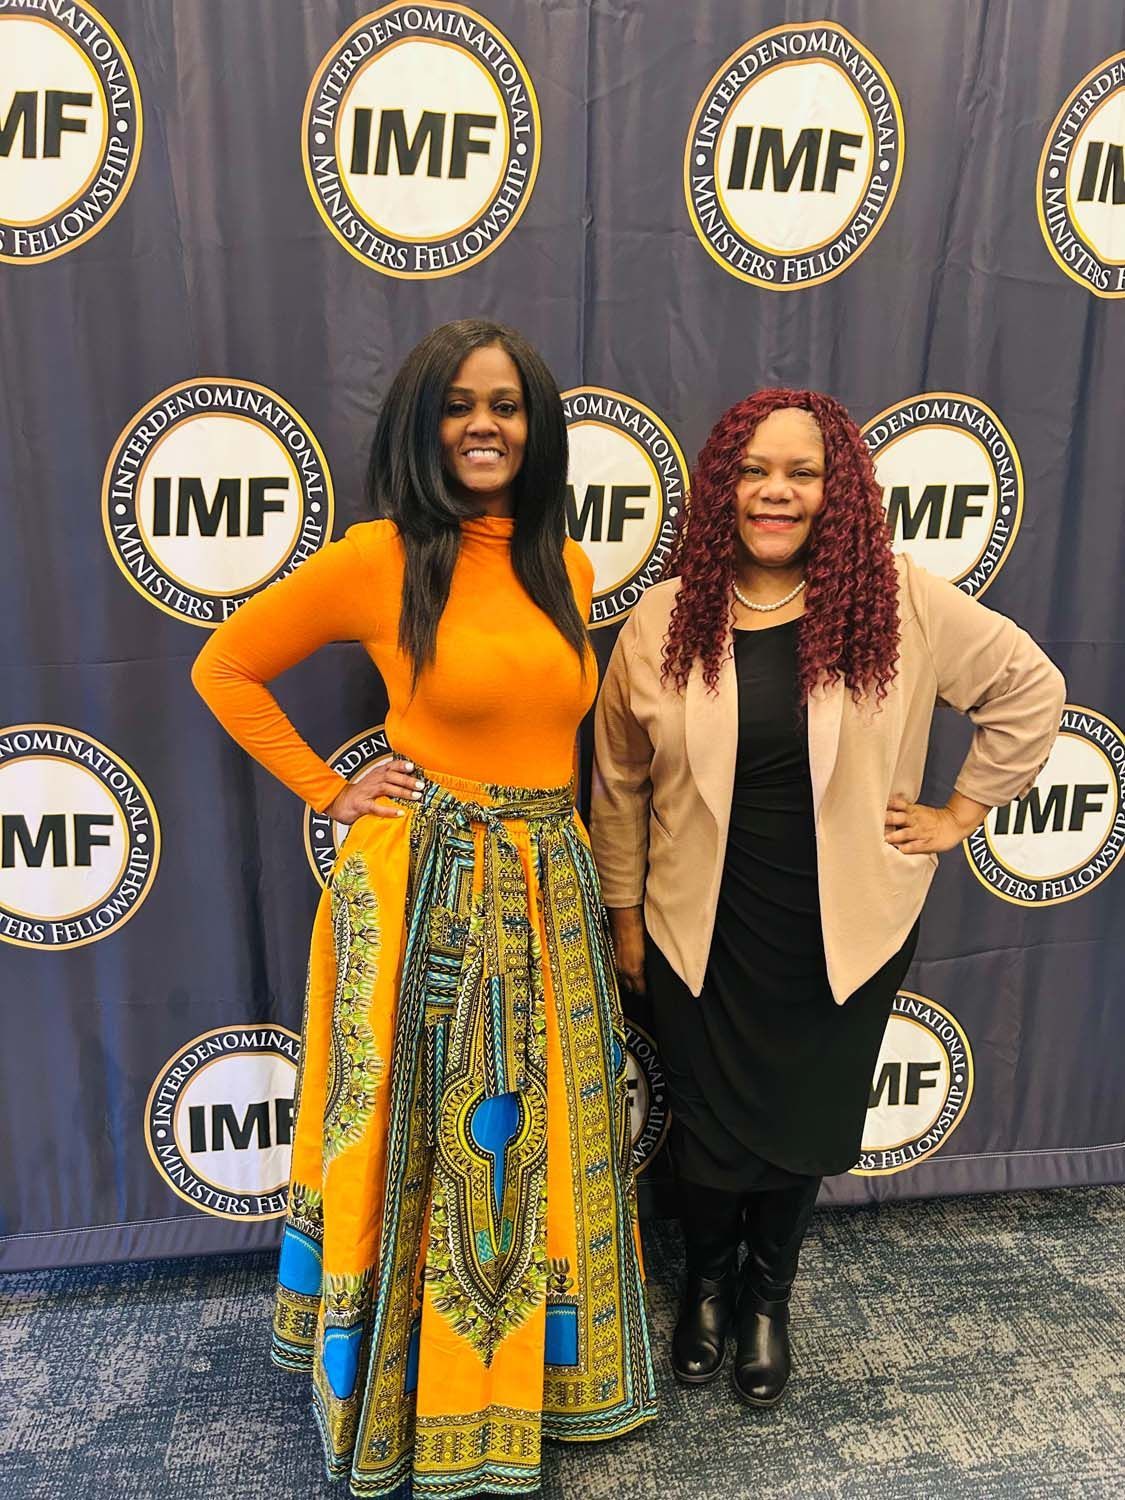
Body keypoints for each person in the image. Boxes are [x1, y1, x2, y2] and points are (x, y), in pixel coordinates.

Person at [192, 320, 656, 1498]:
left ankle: (527, 1385)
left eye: (506, 404)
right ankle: (401, 1388)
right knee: (415, 1140)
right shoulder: (376, 558)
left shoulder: (571, 566)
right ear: (422, 422)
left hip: (545, 881)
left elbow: (557, 732)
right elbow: (226, 668)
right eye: (458, 405)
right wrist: (333, 790)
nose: (485, 425)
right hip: (422, 887)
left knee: (529, 1137)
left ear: (537, 426)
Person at [590, 388, 1065, 1409]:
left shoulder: (896, 598)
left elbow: (1028, 690)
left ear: (835, 488)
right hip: (695, 927)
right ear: (724, 486)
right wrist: (624, 917)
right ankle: (706, 1291)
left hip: (842, 929)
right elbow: (618, 785)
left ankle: (768, 1298)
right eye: (755, 469)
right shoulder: (666, 619)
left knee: (800, 1127)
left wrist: (959, 813)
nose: (777, 491)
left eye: (801, 472)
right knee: (711, 1136)